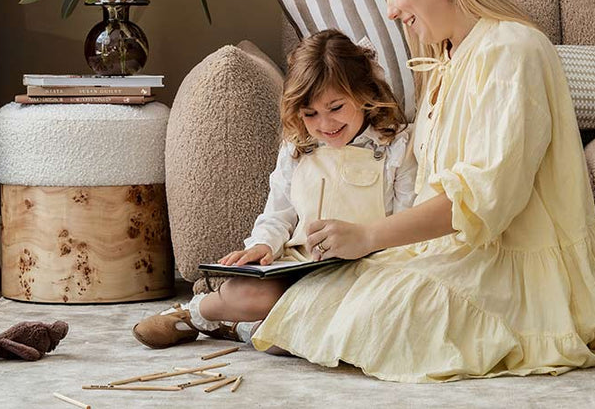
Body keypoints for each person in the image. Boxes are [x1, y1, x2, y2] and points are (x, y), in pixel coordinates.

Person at [250, 0, 595, 381]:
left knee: (380, 318)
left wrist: (369, 237)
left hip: (513, 265)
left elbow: (487, 196)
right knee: (317, 298)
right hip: (448, 251)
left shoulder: (512, 49)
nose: (389, 10)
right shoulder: (445, 60)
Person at [132, 30, 417, 349]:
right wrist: (264, 244)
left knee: (302, 334)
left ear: (364, 94)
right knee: (255, 294)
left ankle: (243, 328)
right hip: (301, 264)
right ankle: (195, 313)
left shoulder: (397, 148)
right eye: (310, 114)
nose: (325, 124)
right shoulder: (298, 149)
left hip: (368, 268)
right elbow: (277, 215)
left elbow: (407, 222)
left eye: (336, 108)